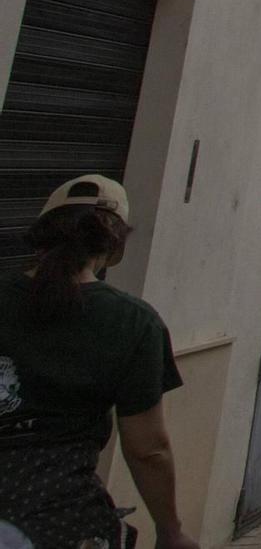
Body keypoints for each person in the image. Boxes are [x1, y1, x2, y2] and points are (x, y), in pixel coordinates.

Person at [0, 176, 195, 549]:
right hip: (61, 521)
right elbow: (147, 448)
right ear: (114, 245)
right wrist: (170, 531)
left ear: (41, 234)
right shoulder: (134, 322)